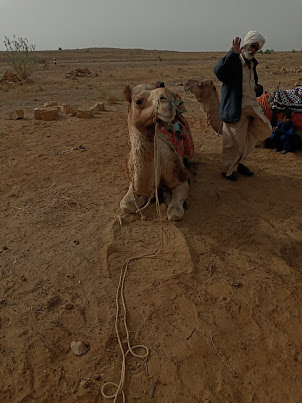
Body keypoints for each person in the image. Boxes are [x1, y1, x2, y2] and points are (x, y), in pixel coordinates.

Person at [214, 31, 272, 181]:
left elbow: (251, 82)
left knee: (251, 136)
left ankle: (241, 163)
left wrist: (257, 88)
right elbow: (219, 72)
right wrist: (232, 53)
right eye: (252, 46)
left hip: (251, 107)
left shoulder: (252, 64)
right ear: (245, 44)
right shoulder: (233, 61)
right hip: (235, 108)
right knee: (232, 142)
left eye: (256, 48)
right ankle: (227, 170)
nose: (253, 50)